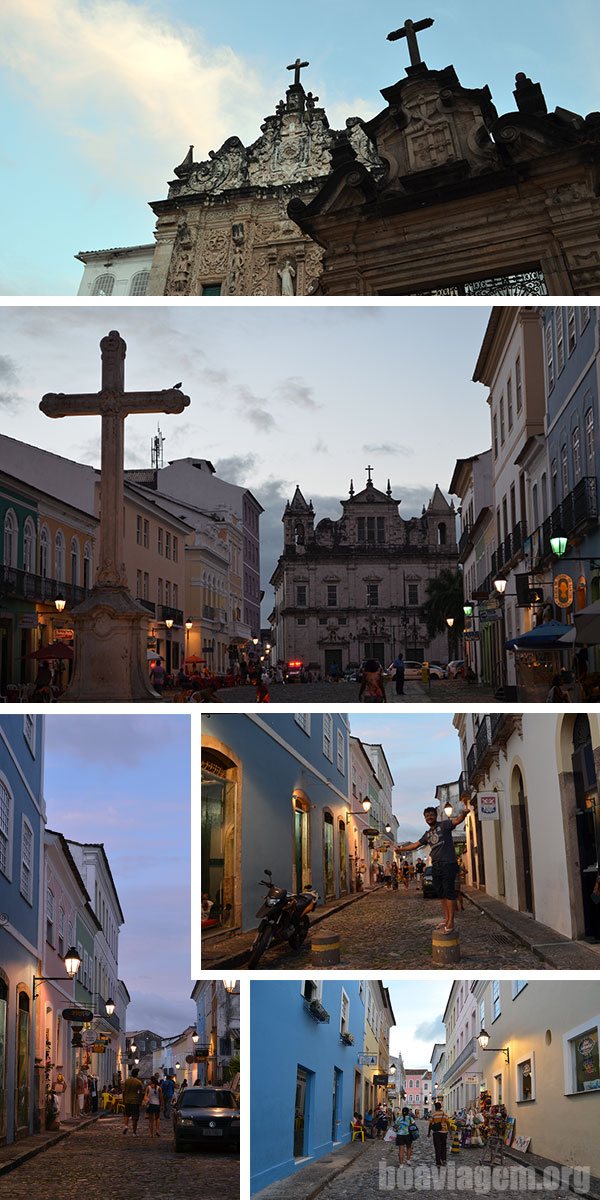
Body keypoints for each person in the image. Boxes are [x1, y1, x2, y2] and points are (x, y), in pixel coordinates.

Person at [399, 803, 470, 933]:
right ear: (425, 819)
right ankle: (446, 918)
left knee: (449, 893)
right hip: (436, 865)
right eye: (427, 816)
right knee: (441, 893)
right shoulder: (427, 834)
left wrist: (464, 814)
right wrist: (401, 849)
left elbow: (457, 820)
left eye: (431, 815)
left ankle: (451, 922)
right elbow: (415, 845)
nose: (429, 817)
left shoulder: (444, 825)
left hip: (448, 863)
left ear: (435, 816)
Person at [122, 1068, 145, 1136]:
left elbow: (124, 1091)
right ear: (137, 1074)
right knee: (135, 1117)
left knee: (126, 1114)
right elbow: (140, 1093)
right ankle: (134, 1132)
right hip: (135, 1101)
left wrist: (124, 1099)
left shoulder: (127, 1081)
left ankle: (126, 1126)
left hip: (127, 1100)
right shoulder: (138, 1082)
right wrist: (140, 1101)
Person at [428, 1101, 449, 1166]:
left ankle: (438, 1161)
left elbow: (430, 1124)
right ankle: (444, 1159)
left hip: (436, 1132)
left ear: (435, 1107)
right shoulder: (445, 1114)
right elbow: (448, 1123)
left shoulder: (433, 1114)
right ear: (440, 1107)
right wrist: (450, 1132)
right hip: (444, 1132)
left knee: (437, 1147)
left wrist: (428, 1133)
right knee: (443, 1146)